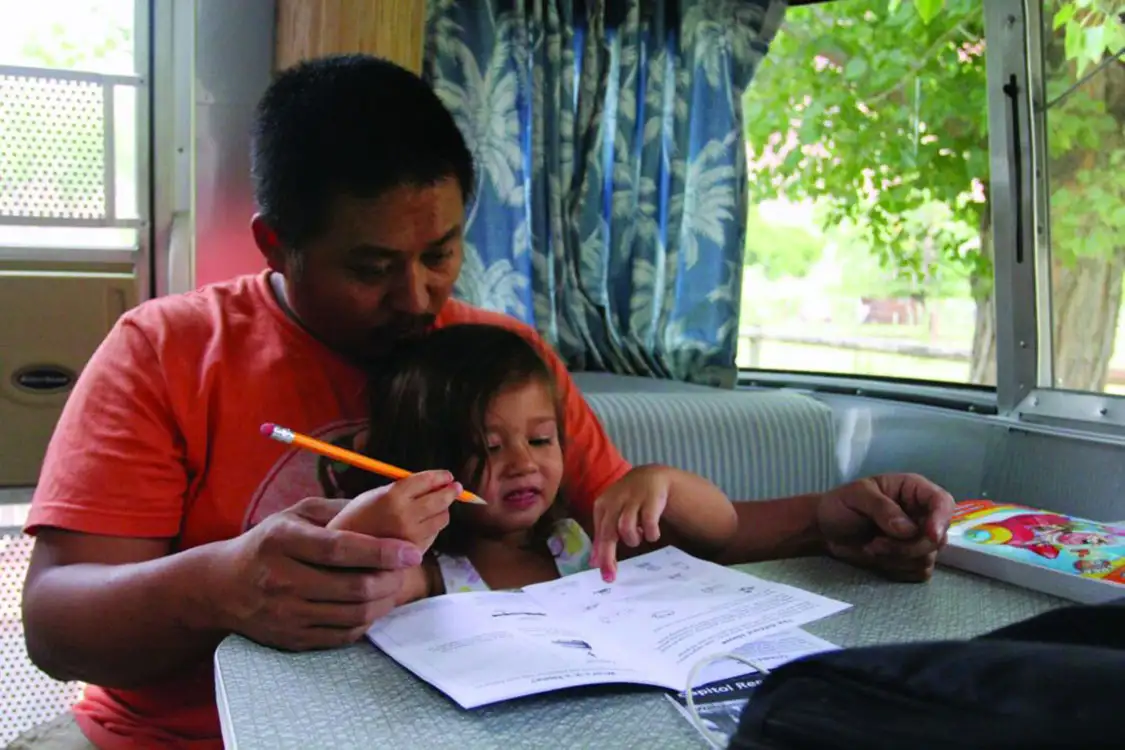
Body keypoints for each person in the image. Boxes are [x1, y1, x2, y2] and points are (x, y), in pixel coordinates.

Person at [14, 53, 954, 750]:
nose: (420, 298)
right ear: (275, 243)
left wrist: (828, 521)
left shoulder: (500, 361)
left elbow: (638, 530)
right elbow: (56, 623)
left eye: (441, 252)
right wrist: (217, 581)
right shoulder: (168, 352)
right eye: (373, 267)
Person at [325, 323, 740, 596]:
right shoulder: (432, 573)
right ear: (426, 465)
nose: (523, 463)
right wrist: (369, 523)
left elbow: (719, 532)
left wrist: (660, 479)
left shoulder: (580, 544)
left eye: (541, 439)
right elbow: (352, 590)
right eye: (489, 447)